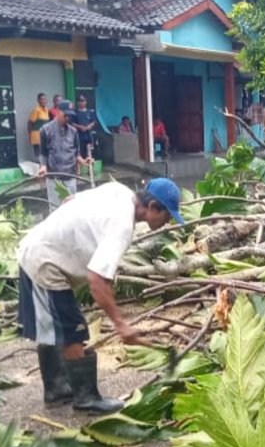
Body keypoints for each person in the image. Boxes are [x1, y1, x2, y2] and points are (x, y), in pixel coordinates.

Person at [17, 179, 184, 413]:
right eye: (166, 216)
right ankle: (86, 398)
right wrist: (121, 325)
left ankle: (57, 390)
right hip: (45, 261)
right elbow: (97, 281)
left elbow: (70, 200)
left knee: (53, 326)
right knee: (72, 330)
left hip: (37, 249)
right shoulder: (122, 226)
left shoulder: (118, 190)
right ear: (153, 206)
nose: (167, 223)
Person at [38, 100, 88, 209]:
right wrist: (43, 166)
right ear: (58, 112)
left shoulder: (73, 132)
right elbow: (42, 153)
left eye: (70, 115)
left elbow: (76, 154)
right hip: (54, 177)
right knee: (56, 209)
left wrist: (84, 161)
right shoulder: (45, 130)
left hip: (70, 176)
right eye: (65, 114)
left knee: (71, 209)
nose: (68, 118)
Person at [73, 95, 98, 160]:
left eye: (83, 101)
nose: (81, 102)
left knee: (89, 153)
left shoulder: (90, 112)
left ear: (86, 102)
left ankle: (89, 169)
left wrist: (88, 126)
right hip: (78, 135)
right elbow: (71, 123)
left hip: (88, 135)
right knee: (79, 152)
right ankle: (79, 168)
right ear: (77, 102)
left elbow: (94, 121)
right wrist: (80, 127)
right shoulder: (74, 112)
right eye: (80, 101)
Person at [27, 93, 50, 157]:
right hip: (37, 135)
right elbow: (29, 123)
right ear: (38, 100)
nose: (44, 101)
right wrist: (30, 135)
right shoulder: (36, 110)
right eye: (42, 99)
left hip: (45, 135)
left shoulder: (46, 109)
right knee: (39, 155)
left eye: (45, 99)